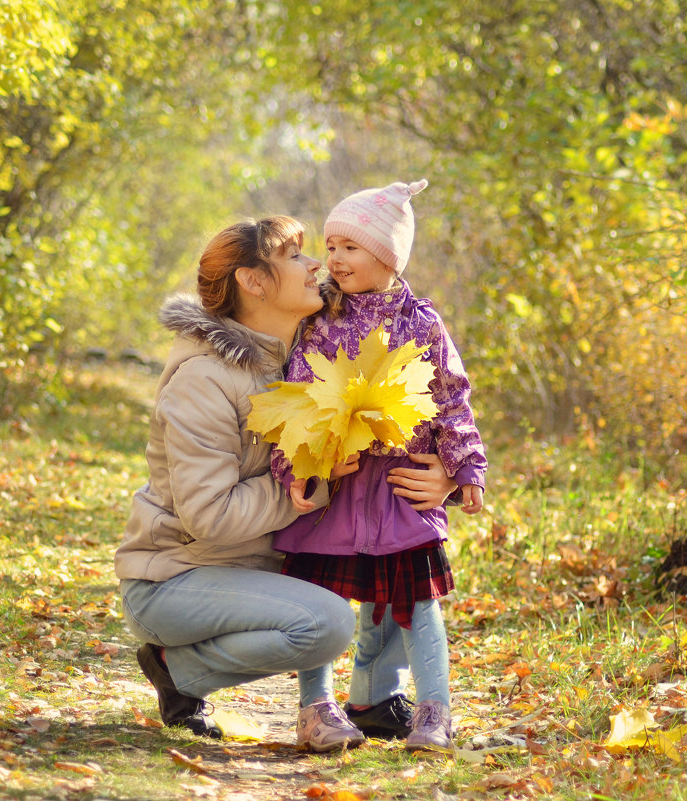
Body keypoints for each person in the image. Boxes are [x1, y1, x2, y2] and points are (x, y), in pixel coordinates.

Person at [114, 215, 458, 741]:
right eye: (295, 257)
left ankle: (376, 696)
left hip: (252, 574)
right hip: (177, 577)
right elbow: (209, 514)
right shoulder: (203, 380)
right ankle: (174, 668)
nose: (317, 263)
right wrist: (313, 485)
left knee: (393, 556)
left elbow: (415, 406)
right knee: (327, 624)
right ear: (253, 282)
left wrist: (446, 477)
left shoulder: (307, 351)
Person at [270, 180, 487, 752]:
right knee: (321, 599)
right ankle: (314, 706)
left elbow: (451, 398)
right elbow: (294, 401)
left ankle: (434, 709)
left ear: (387, 256)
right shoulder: (318, 320)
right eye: (331, 245)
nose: (334, 259)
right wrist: (297, 470)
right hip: (336, 489)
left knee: (418, 603)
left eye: (350, 247)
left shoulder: (422, 323)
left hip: (400, 487)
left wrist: (465, 467)